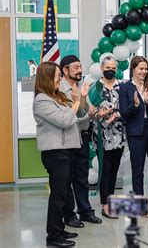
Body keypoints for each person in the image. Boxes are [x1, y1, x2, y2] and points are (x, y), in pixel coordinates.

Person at [33, 61, 83, 247]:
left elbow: (74, 118)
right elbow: (64, 120)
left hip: (66, 151)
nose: (60, 79)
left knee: (63, 194)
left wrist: (90, 111)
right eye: (57, 76)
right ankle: (53, 237)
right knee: (58, 195)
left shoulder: (57, 96)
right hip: (55, 153)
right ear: (47, 78)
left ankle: (59, 229)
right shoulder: (42, 100)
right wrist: (76, 101)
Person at [59, 55, 102, 228]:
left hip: (82, 137)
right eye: (75, 67)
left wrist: (92, 109)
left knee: (81, 177)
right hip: (67, 139)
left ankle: (85, 212)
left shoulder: (81, 87)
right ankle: (69, 215)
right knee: (66, 179)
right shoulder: (59, 89)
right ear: (65, 70)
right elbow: (74, 116)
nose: (79, 70)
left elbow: (86, 112)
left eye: (80, 66)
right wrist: (83, 105)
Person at [119, 56, 148, 212]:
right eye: (141, 68)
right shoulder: (125, 87)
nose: (144, 72)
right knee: (137, 169)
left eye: (146, 69)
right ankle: (139, 204)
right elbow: (124, 112)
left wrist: (147, 103)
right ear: (133, 69)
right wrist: (136, 104)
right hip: (136, 133)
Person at [90, 55, 127, 219]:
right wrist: (100, 114)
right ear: (101, 69)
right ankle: (105, 205)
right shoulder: (95, 87)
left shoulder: (123, 87)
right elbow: (90, 112)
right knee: (105, 170)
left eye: (113, 68)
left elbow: (128, 108)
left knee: (114, 171)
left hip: (119, 135)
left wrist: (118, 113)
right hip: (102, 136)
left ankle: (110, 200)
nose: (111, 70)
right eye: (107, 68)